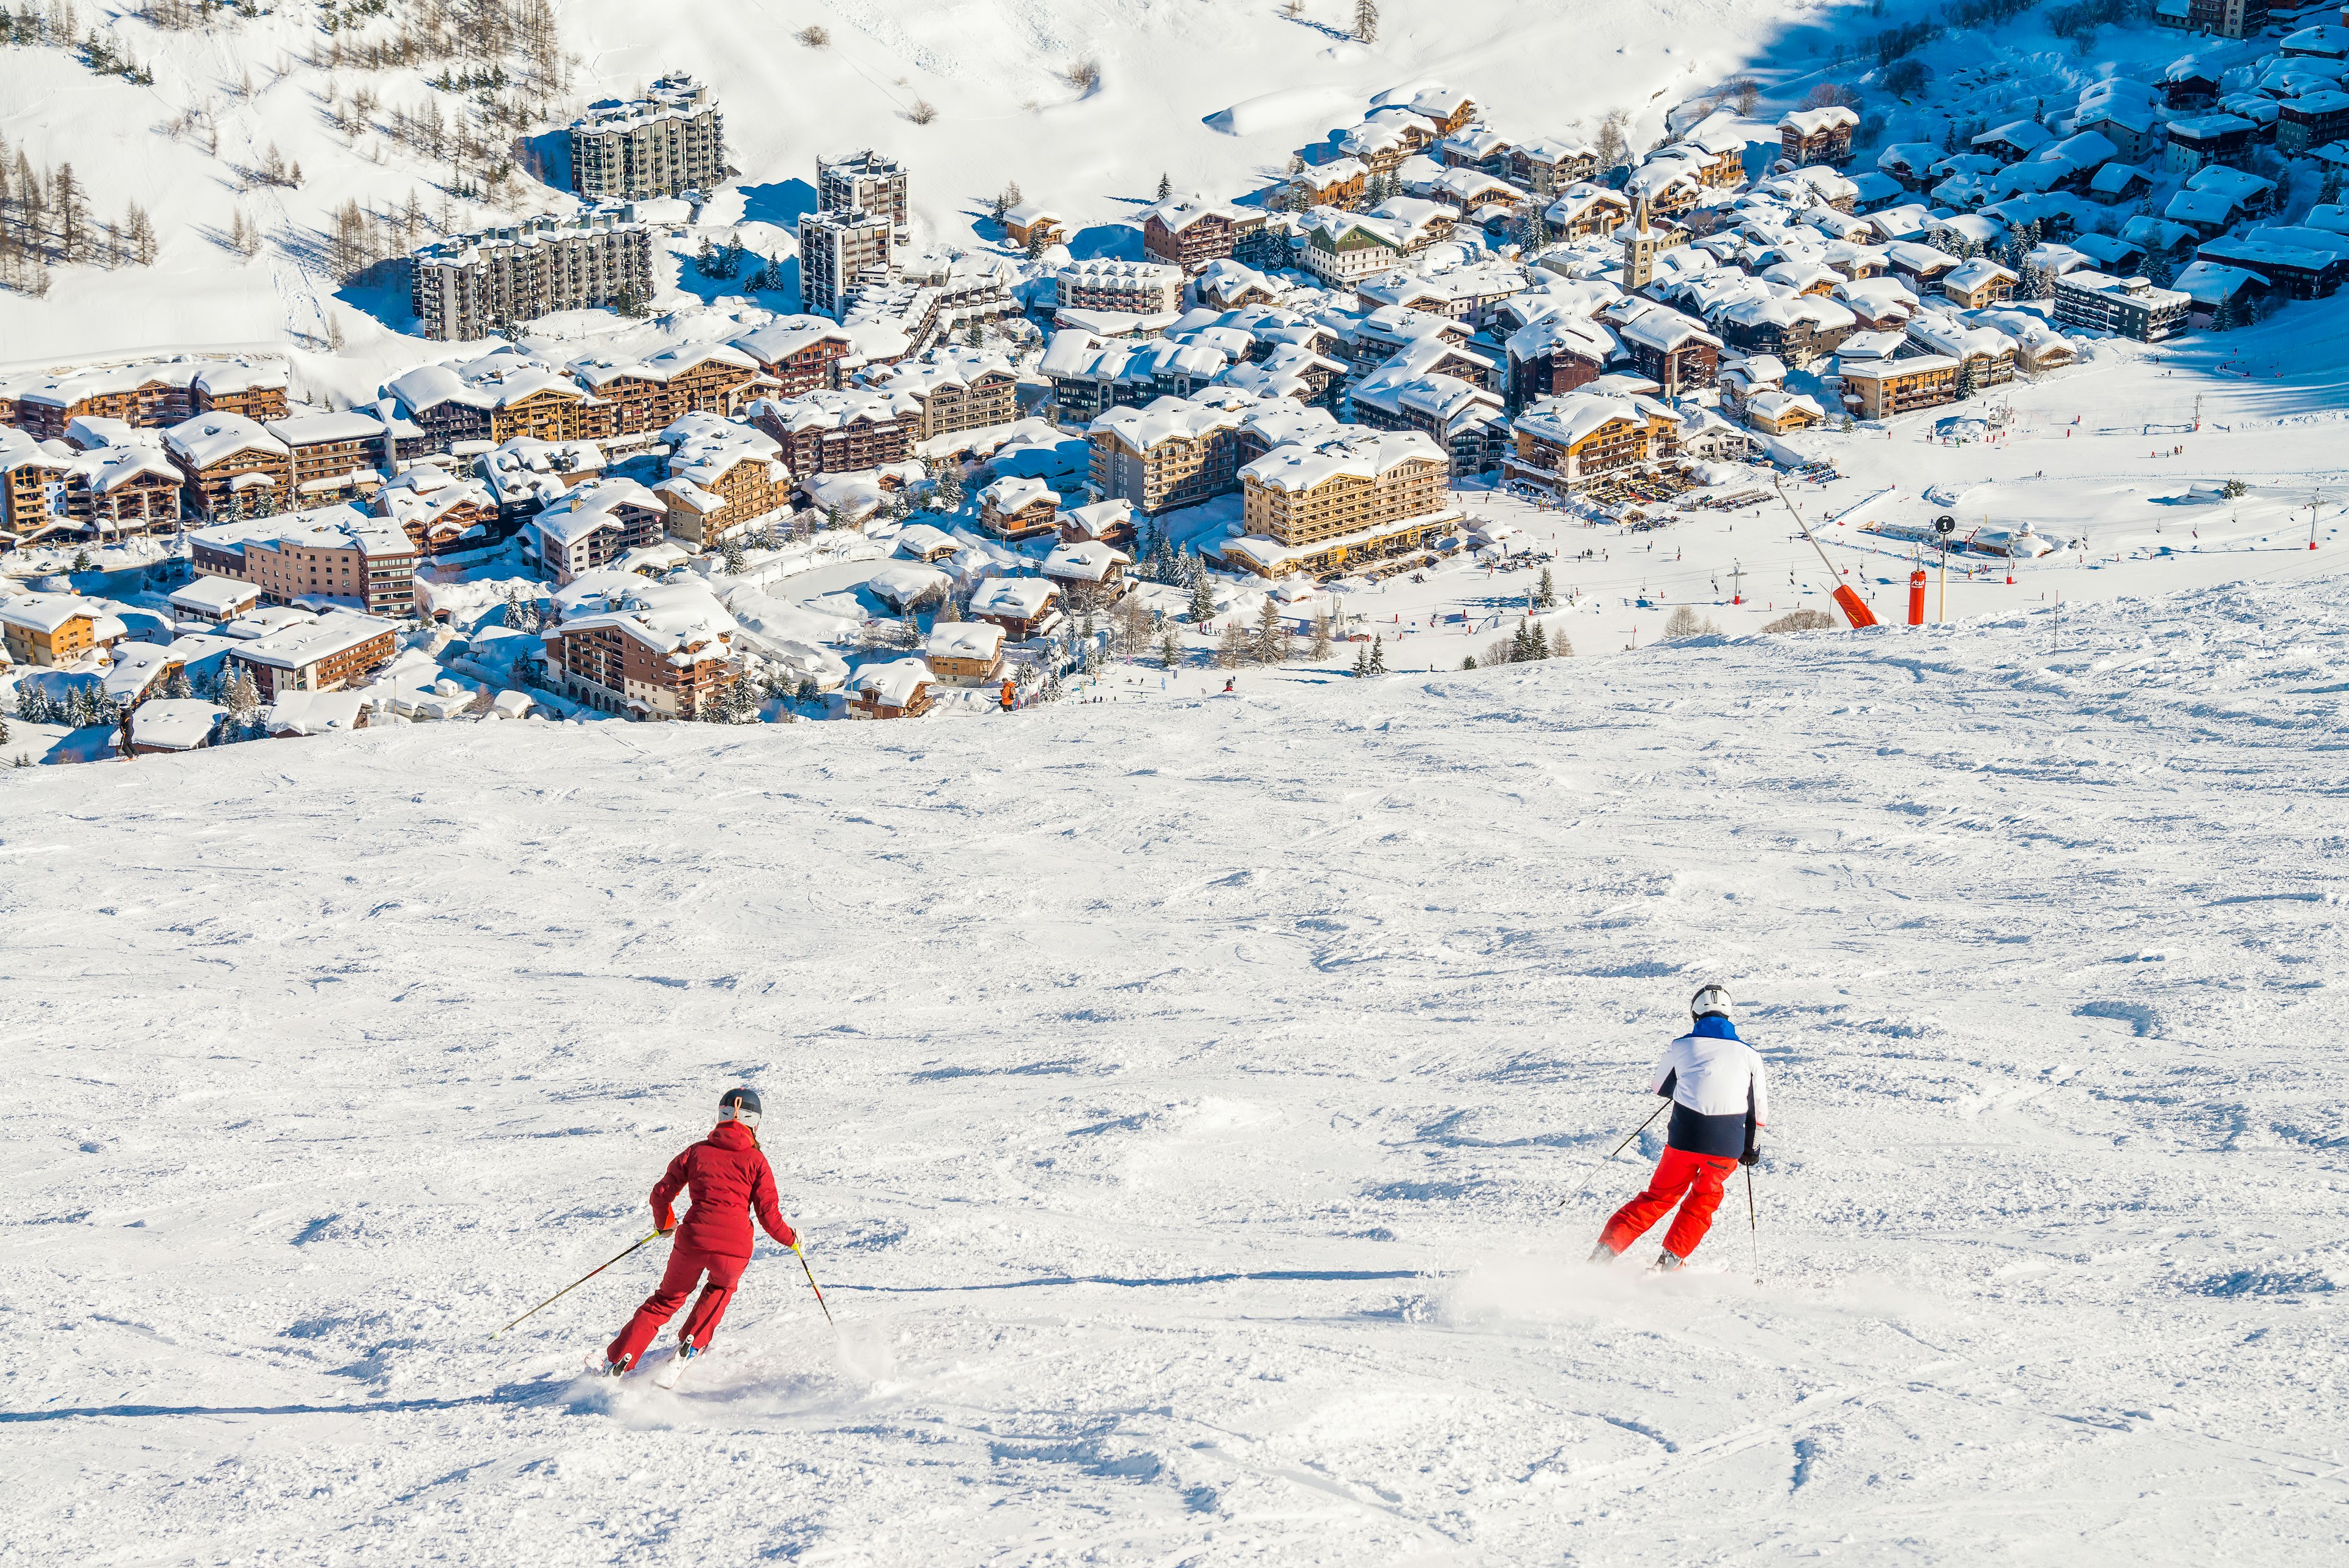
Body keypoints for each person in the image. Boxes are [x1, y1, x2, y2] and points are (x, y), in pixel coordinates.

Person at [604, 1087, 798, 1375]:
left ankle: (620, 1360)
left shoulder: (697, 1152)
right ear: (755, 1124)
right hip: (734, 1248)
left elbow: (661, 1194)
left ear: (720, 1117)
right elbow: (768, 1216)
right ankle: (691, 1345)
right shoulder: (757, 1161)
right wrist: (792, 1239)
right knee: (721, 1288)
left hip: (692, 1241)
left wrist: (666, 1223)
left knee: (667, 1300)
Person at [1590, 985, 1767, 1273]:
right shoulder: (1750, 1056)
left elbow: (1660, 1086)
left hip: (1685, 1139)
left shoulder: (1681, 1046)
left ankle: (1604, 1252)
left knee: (1659, 1196)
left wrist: (1687, 1086)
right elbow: (1759, 1112)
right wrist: (1751, 1150)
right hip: (1725, 1148)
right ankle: (1669, 1262)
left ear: (1695, 1014)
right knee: (1703, 1200)